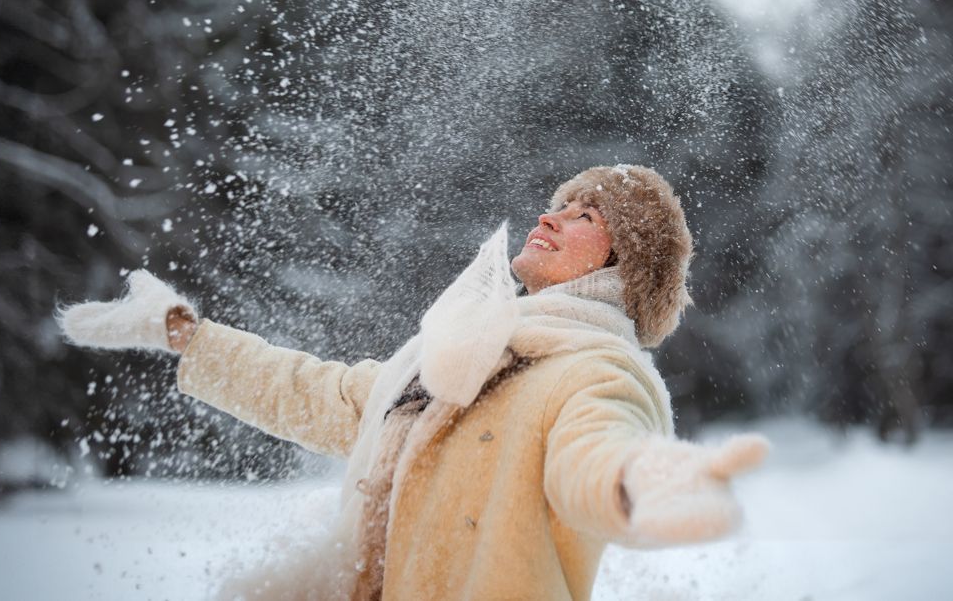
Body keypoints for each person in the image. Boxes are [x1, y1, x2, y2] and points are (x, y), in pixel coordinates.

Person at [60, 164, 769, 601]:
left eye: (587, 216)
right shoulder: (463, 352)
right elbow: (319, 392)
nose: (551, 215)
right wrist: (188, 333)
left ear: (625, 263)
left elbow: (600, 452)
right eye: (560, 203)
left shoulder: (596, 369)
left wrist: (643, 485)